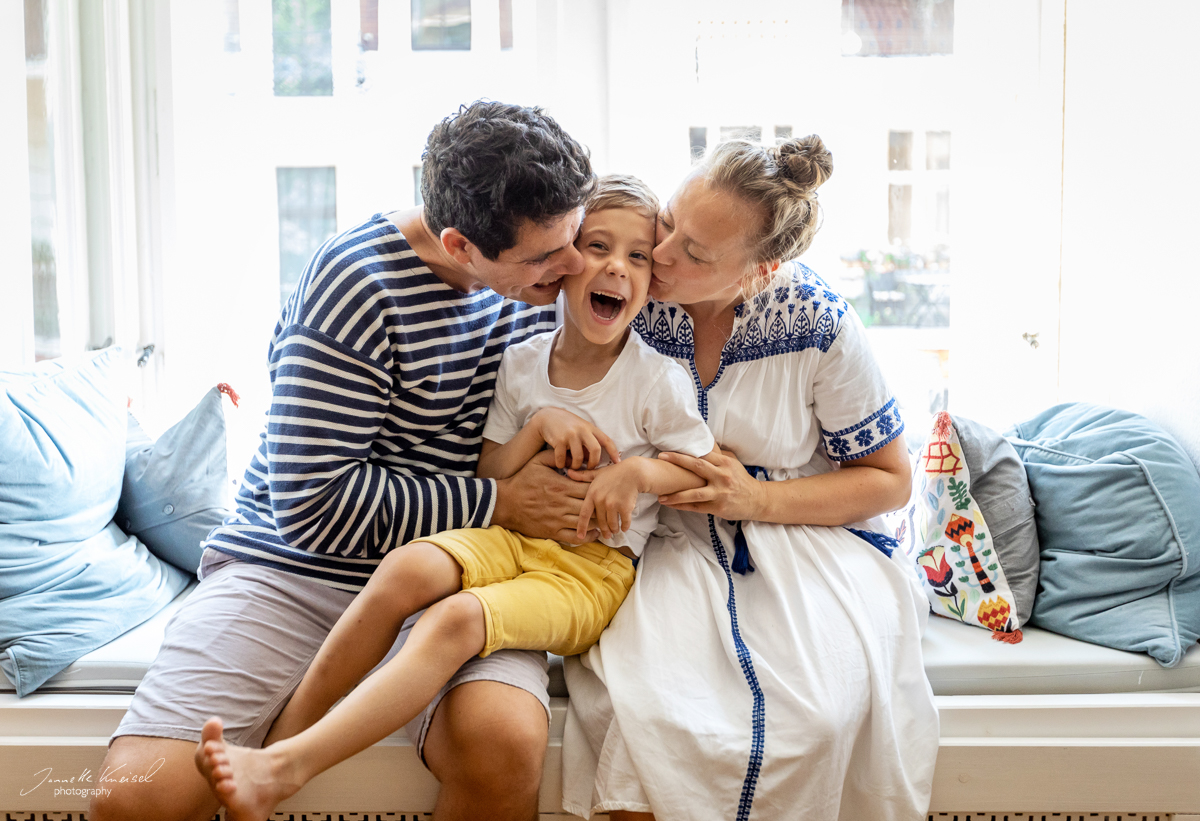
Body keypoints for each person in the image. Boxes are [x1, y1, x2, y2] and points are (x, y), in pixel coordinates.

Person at [90, 101, 599, 821]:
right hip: (299, 569)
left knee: (505, 744)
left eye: (573, 237)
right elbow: (313, 507)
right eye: (546, 258)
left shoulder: (556, 272)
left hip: (463, 571)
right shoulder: (357, 285)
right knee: (135, 797)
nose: (572, 267)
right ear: (460, 245)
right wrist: (502, 502)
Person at [192, 175, 719, 821]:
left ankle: (283, 768)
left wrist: (636, 477)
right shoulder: (524, 360)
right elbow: (490, 466)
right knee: (408, 566)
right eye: (599, 246)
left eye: (638, 256)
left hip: (590, 570)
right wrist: (537, 427)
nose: (616, 266)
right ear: (566, 258)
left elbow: (701, 471)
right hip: (512, 541)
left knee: (453, 619)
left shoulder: (654, 377)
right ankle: (280, 744)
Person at [561, 136, 940, 821]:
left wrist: (759, 497)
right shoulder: (632, 296)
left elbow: (889, 479)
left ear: (757, 273)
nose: (666, 250)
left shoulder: (817, 321)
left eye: (697, 252)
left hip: (807, 543)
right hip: (669, 542)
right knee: (644, 712)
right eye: (670, 219)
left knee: (816, 719)